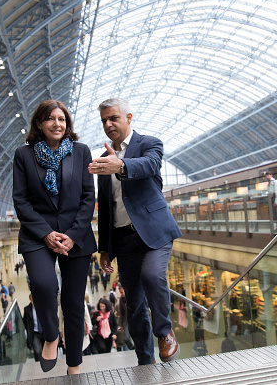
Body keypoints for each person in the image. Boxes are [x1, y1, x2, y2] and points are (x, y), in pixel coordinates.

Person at [89, 98, 182, 365]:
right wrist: (104, 248)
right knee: (135, 305)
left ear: (129, 118)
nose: (108, 124)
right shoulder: (105, 160)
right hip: (123, 238)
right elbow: (105, 207)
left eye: (114, 118)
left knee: (152, 276)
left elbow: (150, 165)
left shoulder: (149, 144)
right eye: (104, 120)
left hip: (154, 232)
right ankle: (145, 359)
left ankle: (165, 332)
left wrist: (121, 166)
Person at [13, 99, 97, 375]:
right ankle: (50, 335)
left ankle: (74, 365)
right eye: (50, 118)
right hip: (38, 235)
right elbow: (21, 201)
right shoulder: (23, 156)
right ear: (39, 124)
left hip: (76, 234)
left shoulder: (82, 152)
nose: (57, 123)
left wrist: (72, 235)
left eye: (62, 119)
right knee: (43, 284)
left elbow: (88, 198)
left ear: (67, 124)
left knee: (73, 302)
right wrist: (47, 233)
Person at [23, 294, 45, 362]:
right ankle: (38, 363)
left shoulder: (43, 307)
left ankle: (46, 363)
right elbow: (25, 322)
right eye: (32, 300)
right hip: (35, 333)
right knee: (37, 351)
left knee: (46, 349)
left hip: (44, 332)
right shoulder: (27, 309)